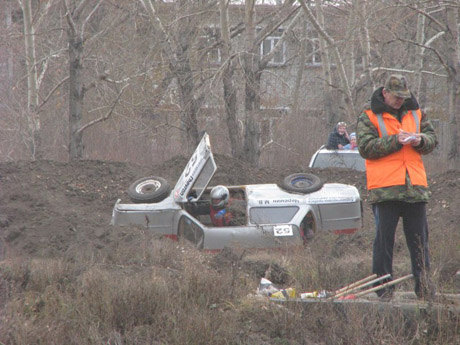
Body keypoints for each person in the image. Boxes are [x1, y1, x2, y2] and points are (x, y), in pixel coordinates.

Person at [356, 74, 438, 300]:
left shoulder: (417, 113)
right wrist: (396, 141)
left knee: (420, 242)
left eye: (403, 96)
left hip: (415, 188)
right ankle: (383, 291)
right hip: (385, 190)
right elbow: (365, 147)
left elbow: (432, 139)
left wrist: (419, 140)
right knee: (384, 242)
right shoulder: (369, 116)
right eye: (396, 97)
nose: (400, 101)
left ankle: (424, 290)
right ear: (385, 93)